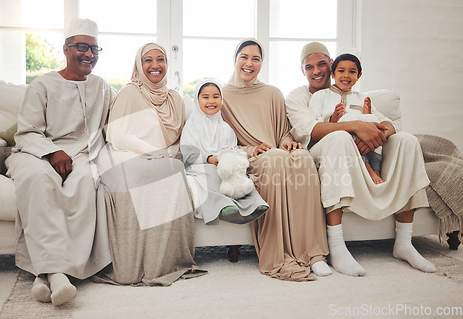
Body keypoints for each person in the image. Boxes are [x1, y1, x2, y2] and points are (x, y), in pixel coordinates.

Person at [285, 41, 436, 276]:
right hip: (319, 152)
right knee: (339, 138)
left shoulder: (358, 96)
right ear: (302, 70)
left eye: (322, 64)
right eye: (309, 67)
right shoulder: (300, 96)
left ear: (331, 65)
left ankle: (404, 242)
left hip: (360, 151)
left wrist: (374, 136)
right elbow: (310, 129)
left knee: (408, 140)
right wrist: (354, 126)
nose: (316, 71)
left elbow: (388, 124)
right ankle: (336, 246)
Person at [5, 19, 114, 305]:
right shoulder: (42, 84)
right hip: (37, 152)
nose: (89, 54)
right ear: (65, 50)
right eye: (81, 47)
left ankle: (47, 276)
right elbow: (27, 132)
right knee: (39, 181)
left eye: (94, 48)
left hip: (82, 155)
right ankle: (57, 274)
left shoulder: (102, 86)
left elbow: (119, 115)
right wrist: (52, 152)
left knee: (86, 183)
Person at [93, 43, 206, 286]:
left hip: (161, 156)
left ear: (167, 64)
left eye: (160, 59)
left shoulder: (175, 99)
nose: (155, 65)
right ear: (138, 65)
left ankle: (165, 263)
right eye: (148, 60)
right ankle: (133, 266)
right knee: (152, 173)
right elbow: (117, 135)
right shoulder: (130, 93)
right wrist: (155, 153)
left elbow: (180, 139)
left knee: (171, 170)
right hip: (124, 153)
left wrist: (171, 154)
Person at [221, 38, 330, 281]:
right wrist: (252, 150)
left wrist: (287, 142)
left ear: (262, 63)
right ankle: (280, 254)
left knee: (302, 157)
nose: (249, 63)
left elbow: (282, 132)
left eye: (256, 59)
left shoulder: (272, 93)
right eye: (244, 57)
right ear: (235, 60)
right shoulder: (222, 96)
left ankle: (315, 254)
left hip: (277, 152)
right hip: (252, 158)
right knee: (275, 160)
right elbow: (223, 141)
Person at [180, 79, 269, 225]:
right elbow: (187, 154)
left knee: (241, 179)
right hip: (200, 168)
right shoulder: (191, 126)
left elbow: (232, 150)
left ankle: (254, 204)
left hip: (224, 167)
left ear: (222, 99)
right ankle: (222, 206)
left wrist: (231, 161)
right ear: (197, 100)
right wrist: (208, 159)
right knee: (210, 175)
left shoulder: (226, 128)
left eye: (216, 96)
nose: (211, 101)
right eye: (205, 97)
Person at [309, 53, 384, 184]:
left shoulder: (362, 98)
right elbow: (313, 124)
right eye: (341, 71)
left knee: (374, 121)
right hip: (335, 143)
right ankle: (368, 169)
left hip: (365, 142)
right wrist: (332, 119)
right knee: (347, 120)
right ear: (333, 74)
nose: (346, 75)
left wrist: (367, 115)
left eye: (352, 72)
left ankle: (376, 169)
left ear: (359, 76)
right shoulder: (320, 96)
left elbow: (380, 124)